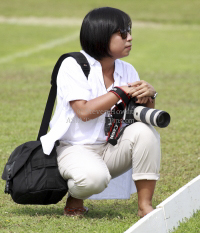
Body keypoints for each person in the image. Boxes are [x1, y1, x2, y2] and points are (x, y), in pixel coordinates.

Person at [41, 7, 161, 217]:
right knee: (93, 179)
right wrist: (120, 91)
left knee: (146, 132)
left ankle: (145, 208)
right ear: (101, 36)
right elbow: (84, 111)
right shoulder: (73, 65)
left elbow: (139, 115)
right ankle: (75, 197)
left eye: (130, 31)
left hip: (111, 145)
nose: (130, 38)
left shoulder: (127, 69)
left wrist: (149, 96)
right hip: (73, 148)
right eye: (123, 33)